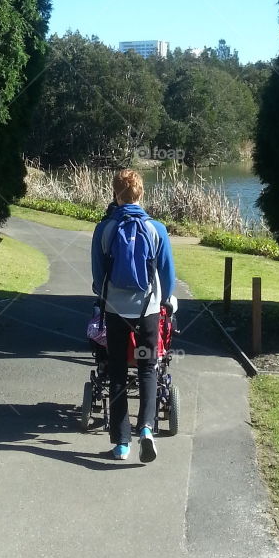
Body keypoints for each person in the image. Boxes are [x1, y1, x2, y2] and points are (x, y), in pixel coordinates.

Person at [91, 169, 175, 463]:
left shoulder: (105, 229)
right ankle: (147, 430)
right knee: (148, 368)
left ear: (115, 194)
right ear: (142, 194)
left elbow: (98, 275)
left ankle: (122, 443)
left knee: (116, 372)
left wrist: (103, 296)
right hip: (148, 312)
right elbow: (167, 274)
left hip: (116, 312)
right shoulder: (157, 229)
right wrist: (166, 299)